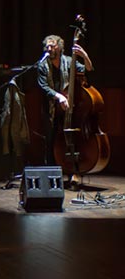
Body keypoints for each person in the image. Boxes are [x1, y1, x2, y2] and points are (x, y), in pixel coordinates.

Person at [36, 34, 93, 186]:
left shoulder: (68, 61)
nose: (49, 49)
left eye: (52, 46)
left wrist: (84, 56)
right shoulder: (42, 65)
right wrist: (59, 97)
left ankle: (74, 172)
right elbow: (44, 87)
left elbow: (87, 69)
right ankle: (52, 176)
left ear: (60, 47)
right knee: (51, 141)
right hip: (52, 109)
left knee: (73, 138)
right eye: (47, 46)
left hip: (70, 109)